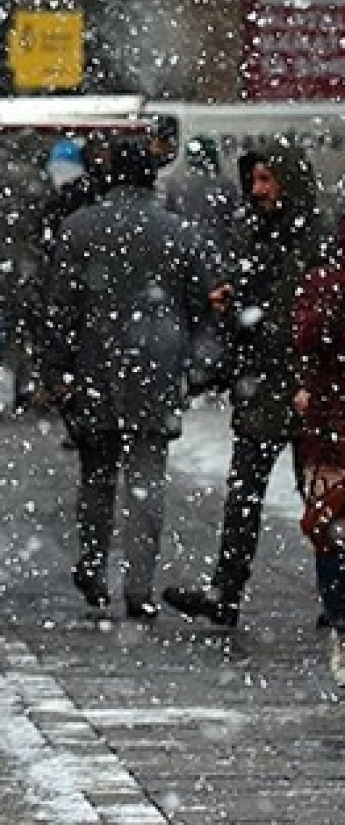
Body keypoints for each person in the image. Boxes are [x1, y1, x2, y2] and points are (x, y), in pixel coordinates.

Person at [44, 134, 213, 620]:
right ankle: (139, 586)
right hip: (157, 367)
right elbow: (201, 305)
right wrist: (198, 365)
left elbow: (60, 308)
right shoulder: (178, 232)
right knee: (147, 478)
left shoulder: (78, 228)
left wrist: (58, 370)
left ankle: (93, 567)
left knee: (96, 474)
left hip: (96, 365)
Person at [163, 142, 327, 628]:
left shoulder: (316, 237)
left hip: (306, 384)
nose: (258, 190)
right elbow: (254, 301)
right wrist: (231, 303)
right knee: (245, 494)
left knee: (319, 497)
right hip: (265, 384)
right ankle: (226, 590)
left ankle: (335, 594)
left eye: (267, 180)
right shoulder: (254, 233)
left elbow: (312, 309)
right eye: (254, 180)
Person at [291, 219, 345, 686]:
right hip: (332, 426)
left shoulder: (323, 282)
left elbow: (308, 337)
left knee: (329, 528)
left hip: (331, 422)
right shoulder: (325, 282)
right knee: (327, 527)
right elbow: (307, 337)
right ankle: (340, 618)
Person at [0, 135, 54, 421]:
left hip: (4, 264)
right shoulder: (39, 181)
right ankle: (24, 391)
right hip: (29, 266)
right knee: (28, 332)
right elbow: (44, 224)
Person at [164, 135, 240, 268]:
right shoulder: (226, 185)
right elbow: (233, 222)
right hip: (219, 254)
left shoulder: (176, 183)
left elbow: (169, 219)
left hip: (186, 253)